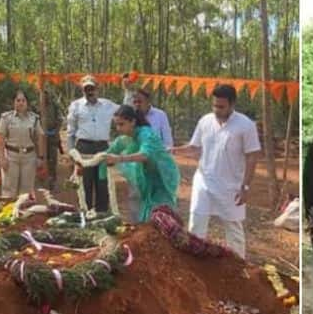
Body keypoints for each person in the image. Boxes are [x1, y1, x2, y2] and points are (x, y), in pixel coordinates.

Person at [169, 84, 261, 259]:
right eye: (214, 105)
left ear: (232, 104)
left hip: (231, 186)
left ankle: (238, 264)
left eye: (221, 106)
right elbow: (194, 147)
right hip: (203, 181)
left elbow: (252, 156)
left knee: (233, 227)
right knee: (196, 222)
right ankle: (194, 260)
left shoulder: (245, 125)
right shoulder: (205, 121)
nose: (216, 110)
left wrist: (245, 187)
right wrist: (175, 150)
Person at [101, 105, 180, 223]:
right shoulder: (125, 139)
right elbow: (106, 154)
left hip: (162, 178)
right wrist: (82, 161)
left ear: (132, 122)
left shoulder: (146, 134)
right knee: (145, 212)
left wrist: (119, 159)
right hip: (147, 178)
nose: (118, 128)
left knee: (161, 214)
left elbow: (145, 155)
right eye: (116, 124)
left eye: (121, 124)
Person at [66, 75, 119, 212]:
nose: (90, 92)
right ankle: (86, 217)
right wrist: (72, 153)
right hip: (83, 149)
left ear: (97, 89)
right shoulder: (76, 106)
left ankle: (102, 217)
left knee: (103, 185)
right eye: (86, 89)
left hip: (102, 148)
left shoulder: (108, 105)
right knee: (84, 186)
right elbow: (70, 133)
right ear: (82, 90)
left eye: (92, 88)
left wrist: (128, 91)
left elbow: (126, 110)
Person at [0, 89, 46, 198]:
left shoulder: (34, 119)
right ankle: (8, 214)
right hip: (11, 157)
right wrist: (2, 158)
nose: (21, 103)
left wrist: (41, 157)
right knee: (9, 191)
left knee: (26, 192)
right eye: (18, 100)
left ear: (27, 103)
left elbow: (41, 136)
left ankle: (23, 214)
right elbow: (0, 137)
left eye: (23, 100)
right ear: (13, 102)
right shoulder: (6, 118)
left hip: (29, 158)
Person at [42, 88, 64, 192]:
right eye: (43, 95)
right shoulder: (36, 106)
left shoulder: (54, 105)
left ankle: (52, 181)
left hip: (53, 137)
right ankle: (42, 180)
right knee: (41, 158)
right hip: (40, 137)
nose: (45, 98)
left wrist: (55, 131)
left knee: (53, 159)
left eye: (46, 95)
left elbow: (60, 119)